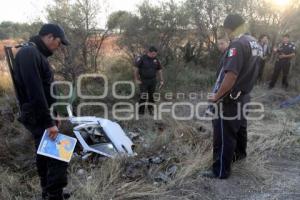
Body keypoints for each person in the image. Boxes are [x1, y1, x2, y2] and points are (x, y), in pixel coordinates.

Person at [201, 14, 262, 179]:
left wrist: (217, 96)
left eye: (226, 29)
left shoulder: (237, 44)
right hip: (244, 95)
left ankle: (220, 171)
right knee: (240, 128)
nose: (226, 33)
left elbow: (231, 75)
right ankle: (239, 156)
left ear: (229, 28)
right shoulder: (254, 42)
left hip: (230, 98)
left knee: (223, 134)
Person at [14, 24, 70, 200]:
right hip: (37, 114)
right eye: (59, 42)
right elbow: (35, 91)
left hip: (43, 113)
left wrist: (55, 114)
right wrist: (48, 122)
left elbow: (46, 89)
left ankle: (49, 192)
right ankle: (54, 195)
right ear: (50, 37)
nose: (58, 47)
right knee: (58, 155)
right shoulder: (29, 53)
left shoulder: (35, 53)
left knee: (44, 151)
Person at [134, 46, 164, 115]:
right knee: (143, 95)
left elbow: (159, 70)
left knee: (151, 96)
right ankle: (141, 112)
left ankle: (151, 110)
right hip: (143, 81)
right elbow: (136, 68)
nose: (154, 55)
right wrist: (136, 79)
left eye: (155, 54)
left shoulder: (156, 59)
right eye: (153, 54)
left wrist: (161, 80)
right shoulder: (142, 58)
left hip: (153, 80)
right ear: (149, 52)